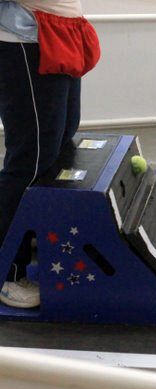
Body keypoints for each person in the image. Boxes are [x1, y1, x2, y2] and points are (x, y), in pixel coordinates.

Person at [0, 0, 99, 308]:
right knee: (30, 160)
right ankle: (7, 272)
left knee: (58, 144)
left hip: (58, 30)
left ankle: (30, 235)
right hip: (23, 41)